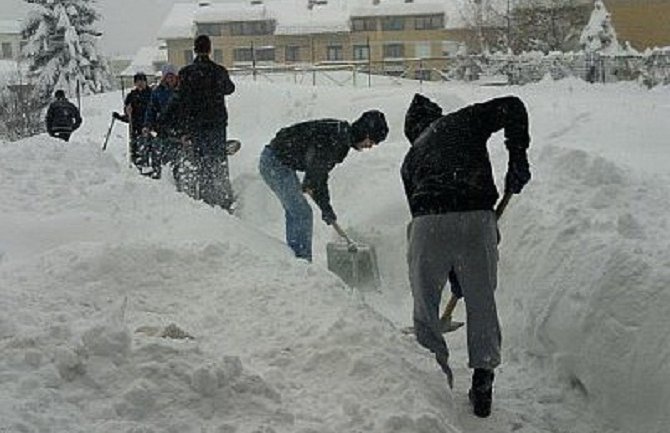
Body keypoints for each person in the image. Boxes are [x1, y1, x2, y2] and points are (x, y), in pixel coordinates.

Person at [401, 93, 531, 418]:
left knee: (425, 307)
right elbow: (513, 106)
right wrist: (518, 157)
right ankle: (483, 378)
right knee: (482, 302)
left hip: (427, 225)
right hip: (475, 218)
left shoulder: (411, 156)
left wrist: (449, 271)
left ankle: (436, 382)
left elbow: (419, 211)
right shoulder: (464, 120)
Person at [259, 110, 389, 262]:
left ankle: (297, 260)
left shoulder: (341, 135)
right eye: (372, 141)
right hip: (274, 163)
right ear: (365, 133)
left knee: (297, 211)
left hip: (281, 162)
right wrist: (324, 206)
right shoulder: (336, 138)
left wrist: (324, 205)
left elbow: (319, 175)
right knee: (301, 213)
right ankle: (301, 263)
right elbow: (317, 175)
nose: (370, 146)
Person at [173, 34, 236, 210]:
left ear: (195, 49)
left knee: (201, 162)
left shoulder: (186, 73)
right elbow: (229, 89)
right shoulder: (218, 71)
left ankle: (206, 200)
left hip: (196, 125)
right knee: (218, 160)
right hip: (216, 123)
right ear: (209, 49)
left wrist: (184, 130)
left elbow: (182, 103)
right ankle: (223, 199)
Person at [143, 64, 179, 179]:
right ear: (164, 78)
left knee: (180, 156)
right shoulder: (158, 92)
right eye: (167, 76)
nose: (170, 79)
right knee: (164, 155)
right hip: (163, 128)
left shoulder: (183, 90)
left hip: (180, 127)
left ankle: (178, 176)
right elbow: (151, 110)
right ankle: (164, 176)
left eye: (172, 76)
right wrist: (148, 125)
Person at [124, 72, 152, 172]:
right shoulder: (131, 96)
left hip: (149, 126)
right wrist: (127, 112)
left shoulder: (151, 94)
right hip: (135, 127)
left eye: (142, 81)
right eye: (138, 81)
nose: (140, 83)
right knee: (136, 149)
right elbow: (127, 113)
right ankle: (137, 168)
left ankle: (148, 167)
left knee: (148, 148)